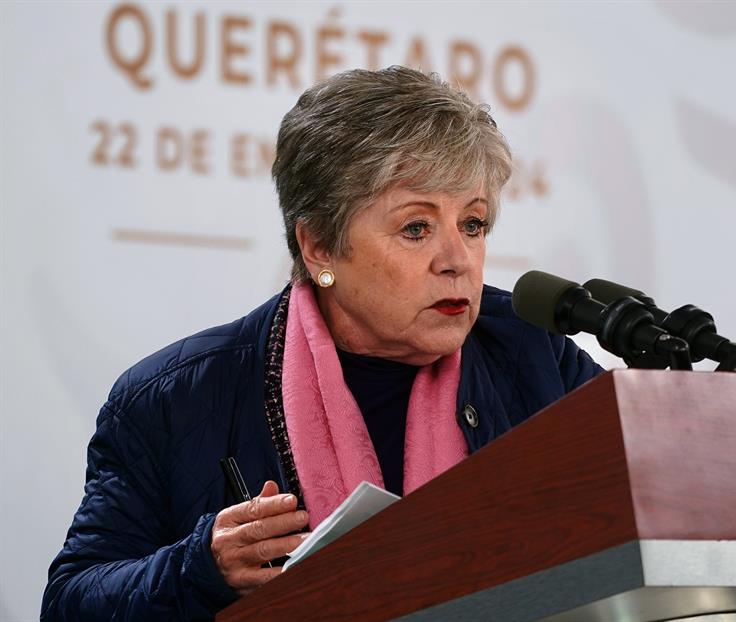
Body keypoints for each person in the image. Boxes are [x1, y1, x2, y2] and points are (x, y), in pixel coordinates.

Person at [41, 66, 602, 621]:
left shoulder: (535, 354)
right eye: (416, 228)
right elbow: (70, 601)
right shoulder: (172, 397)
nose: (457, 260)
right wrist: (198, 571)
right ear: (319, 248)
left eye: (473, 224)